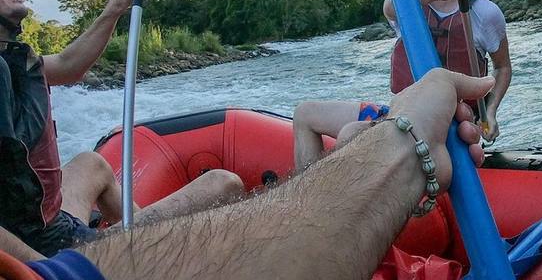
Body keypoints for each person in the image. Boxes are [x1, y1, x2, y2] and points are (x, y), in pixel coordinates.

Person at [10, 69, 494, 280]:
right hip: (401, 166)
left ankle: (117, 241)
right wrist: (398, 143)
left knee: (221, 181)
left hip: (64, 246)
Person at [0, 0, 244, 262]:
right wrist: (49, 272)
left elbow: (70, 66)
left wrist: (116, 5)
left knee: (93, 163)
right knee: (224, 184)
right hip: (43, 253)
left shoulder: (14, 57)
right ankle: (124, 256)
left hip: (49, 222)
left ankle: (139, 252)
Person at [293, 0, 512, 169]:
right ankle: (309, 202)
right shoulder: (407, 2)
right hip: (401, 115)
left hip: (450, 128)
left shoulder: (484, 12)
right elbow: (391, 6)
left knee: (351, 133)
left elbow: (502, 68)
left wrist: (490, 111)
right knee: (304, 113)